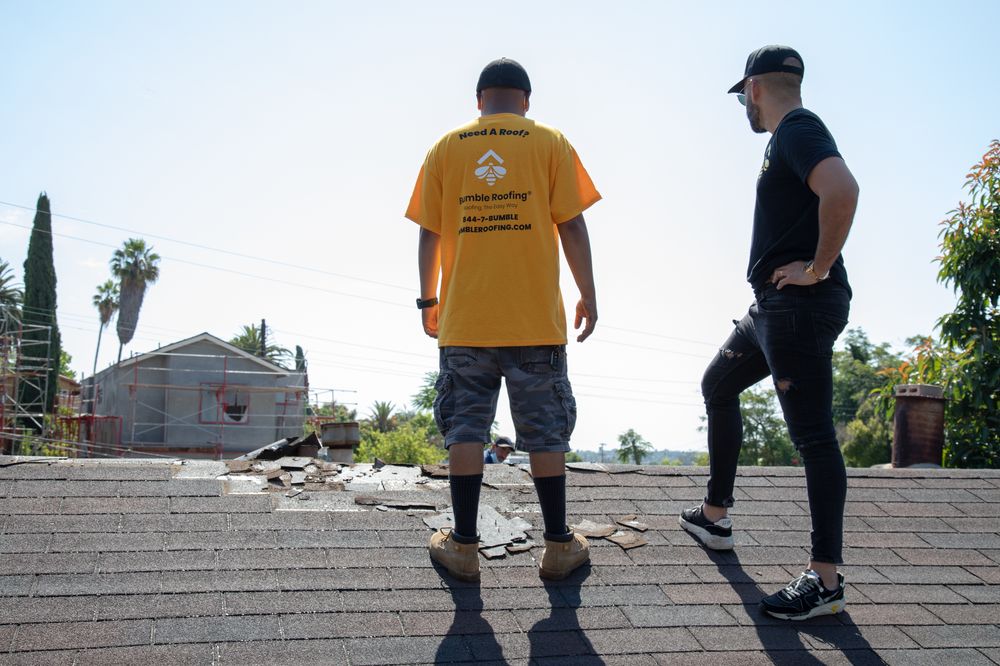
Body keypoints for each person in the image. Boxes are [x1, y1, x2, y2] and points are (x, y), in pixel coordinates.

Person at [679, 45, 859, 621]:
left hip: (799, 305)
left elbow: (843, 189)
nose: (743, 107)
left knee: (812, 438)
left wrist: (817, 268)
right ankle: (715, 516)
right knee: (718, 384)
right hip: (770, 309)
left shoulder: (797, 129)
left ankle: (825, 580)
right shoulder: (786, 139)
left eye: (742, 96)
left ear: (754, 87)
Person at [406, 57, 600, 583]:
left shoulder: (446, 148)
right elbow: (573, 225)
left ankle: (463, 547)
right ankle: (559, 545)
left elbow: (429, 233)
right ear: (526, 101)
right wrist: (588, 294)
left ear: (478, 100)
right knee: (545, 433)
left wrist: (429, 304)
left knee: (466, 428)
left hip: (466, 320)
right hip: (536, 320)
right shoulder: (551, 143)